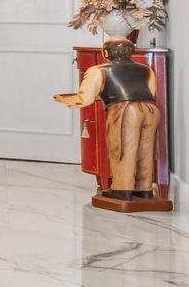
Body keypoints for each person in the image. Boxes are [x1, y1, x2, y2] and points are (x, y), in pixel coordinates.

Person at [54, 39, 162, 200]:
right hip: (151, 109)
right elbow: (151, 92)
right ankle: (144, 189)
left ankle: (122, 190)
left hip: (125, 110)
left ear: (105, 53)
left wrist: (63, 99)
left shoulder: (98, 71)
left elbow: (85, 99)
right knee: (146, 150)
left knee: (124, 150)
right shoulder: (147, 70)